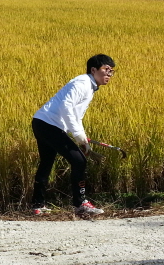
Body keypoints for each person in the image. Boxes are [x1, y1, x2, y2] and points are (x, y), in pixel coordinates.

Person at [31, 54, 116, 217]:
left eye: (111, 72)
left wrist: (83, 140)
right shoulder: (82, 83)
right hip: (49, 124)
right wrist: (78, 136)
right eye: (106, 70)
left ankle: (37, 205)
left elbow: (77, 117)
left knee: (46, 163)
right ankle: (80, 203)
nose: (109, 75)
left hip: (41, 122)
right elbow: (66, 107)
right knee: (79, 161)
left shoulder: (89, 87)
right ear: (93, 70)